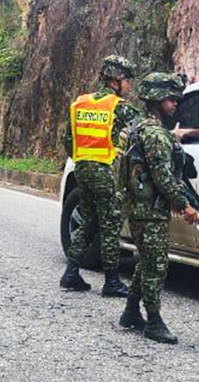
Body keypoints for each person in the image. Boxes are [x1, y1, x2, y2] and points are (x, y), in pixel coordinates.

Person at [118, 73, 199, 344]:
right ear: (156, 99)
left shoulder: (140, 126)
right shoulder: (154, 134)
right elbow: (163, 177)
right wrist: (184, 206)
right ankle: (153, 321)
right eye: (170, 98)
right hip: (149, 209)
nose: (175, 102)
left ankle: (131, 312)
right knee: (156, 265)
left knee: (146, 260)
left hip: (139, 206)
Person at [60, 55, 141, 296]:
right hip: (106, 170)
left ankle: (71, 272)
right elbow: (144, 129)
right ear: (116, 80)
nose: (129, 86)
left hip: (82, 168)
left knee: (90, 220)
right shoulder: (119, 107)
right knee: (110, 224)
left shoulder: (81, 103)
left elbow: (67, 140)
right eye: (127, 81)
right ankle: (112, 281)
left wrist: (83, 160)